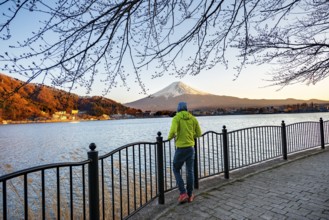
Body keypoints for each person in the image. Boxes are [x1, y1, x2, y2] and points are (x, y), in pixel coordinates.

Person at [168, 102, 202, 203]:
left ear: (178, 109)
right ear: (186, 109)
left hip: (180, 149)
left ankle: (183, 193)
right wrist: (191, 137)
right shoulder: (193, 118)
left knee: (176, 169)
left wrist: (169, 138)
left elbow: (173, 131)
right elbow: (199, 133)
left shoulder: (176, 118)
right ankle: (190, 195)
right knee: (190, 171)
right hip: (191, 148)